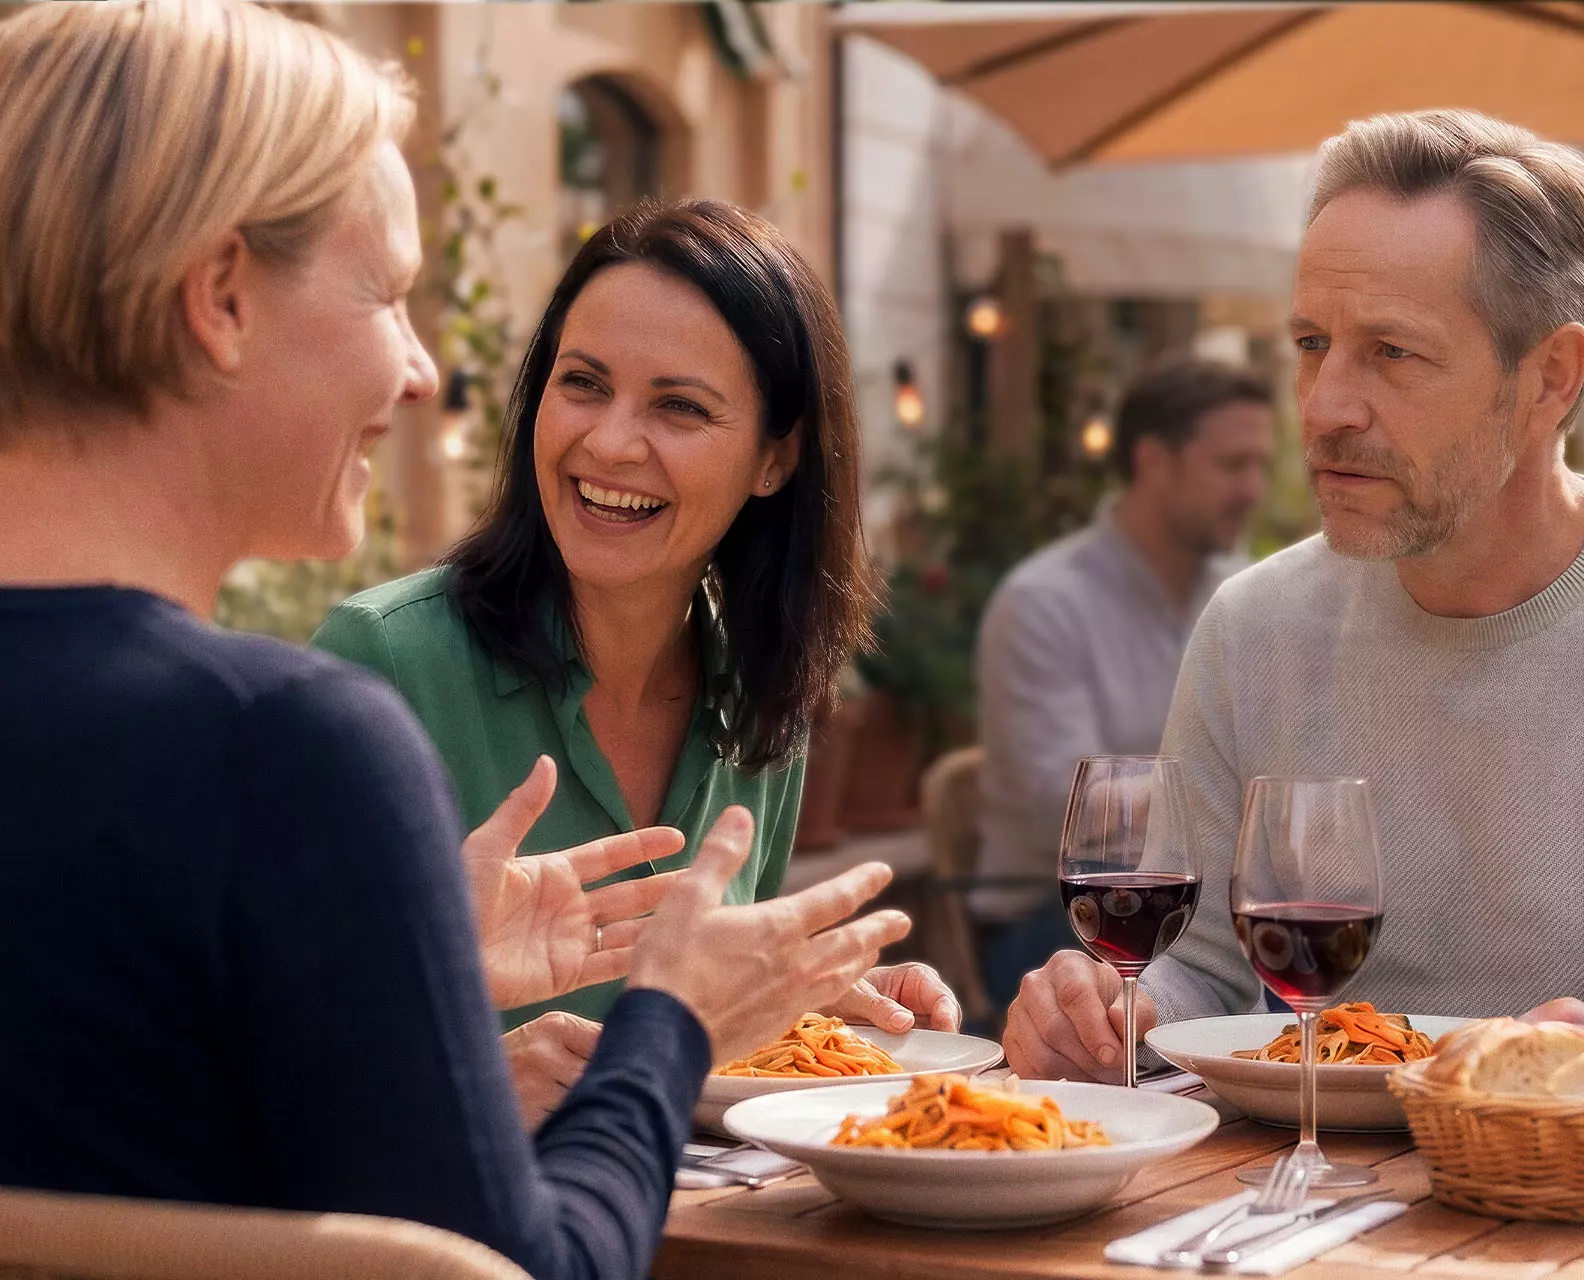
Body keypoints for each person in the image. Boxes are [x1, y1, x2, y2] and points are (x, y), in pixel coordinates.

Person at [0, 4, 909, 1278]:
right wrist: (669, 1016)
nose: (425, 373)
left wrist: (408, 994)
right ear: (219, 299)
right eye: (388, 292)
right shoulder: (288, 741)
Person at [1004, 108, 1584, 1147]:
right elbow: (1206, 961)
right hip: (1319, 1216)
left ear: (1551, 377)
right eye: (1312, 345)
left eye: (1393, 353)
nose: (1325, 405)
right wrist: (1115, 1006)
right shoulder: (1256, 625)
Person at [312, 199, 960, 1123]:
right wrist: (479, 1079)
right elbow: (269, 1057)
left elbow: (672, 1049)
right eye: (583, 383)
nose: (611, 442)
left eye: (679, 406)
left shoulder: (757, 697)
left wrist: (792, 1007)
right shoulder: (383, 666)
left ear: (775, 460)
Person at [972, 359, 1274, 1008]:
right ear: (1153, 462)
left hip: (1206, 909)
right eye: (1231, 465)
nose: (1254, 489)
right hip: (1055, 923)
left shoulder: (1244, 597)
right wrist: (1249, 808)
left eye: (1261, 467)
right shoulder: (1044, 602)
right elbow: (1069, 811)